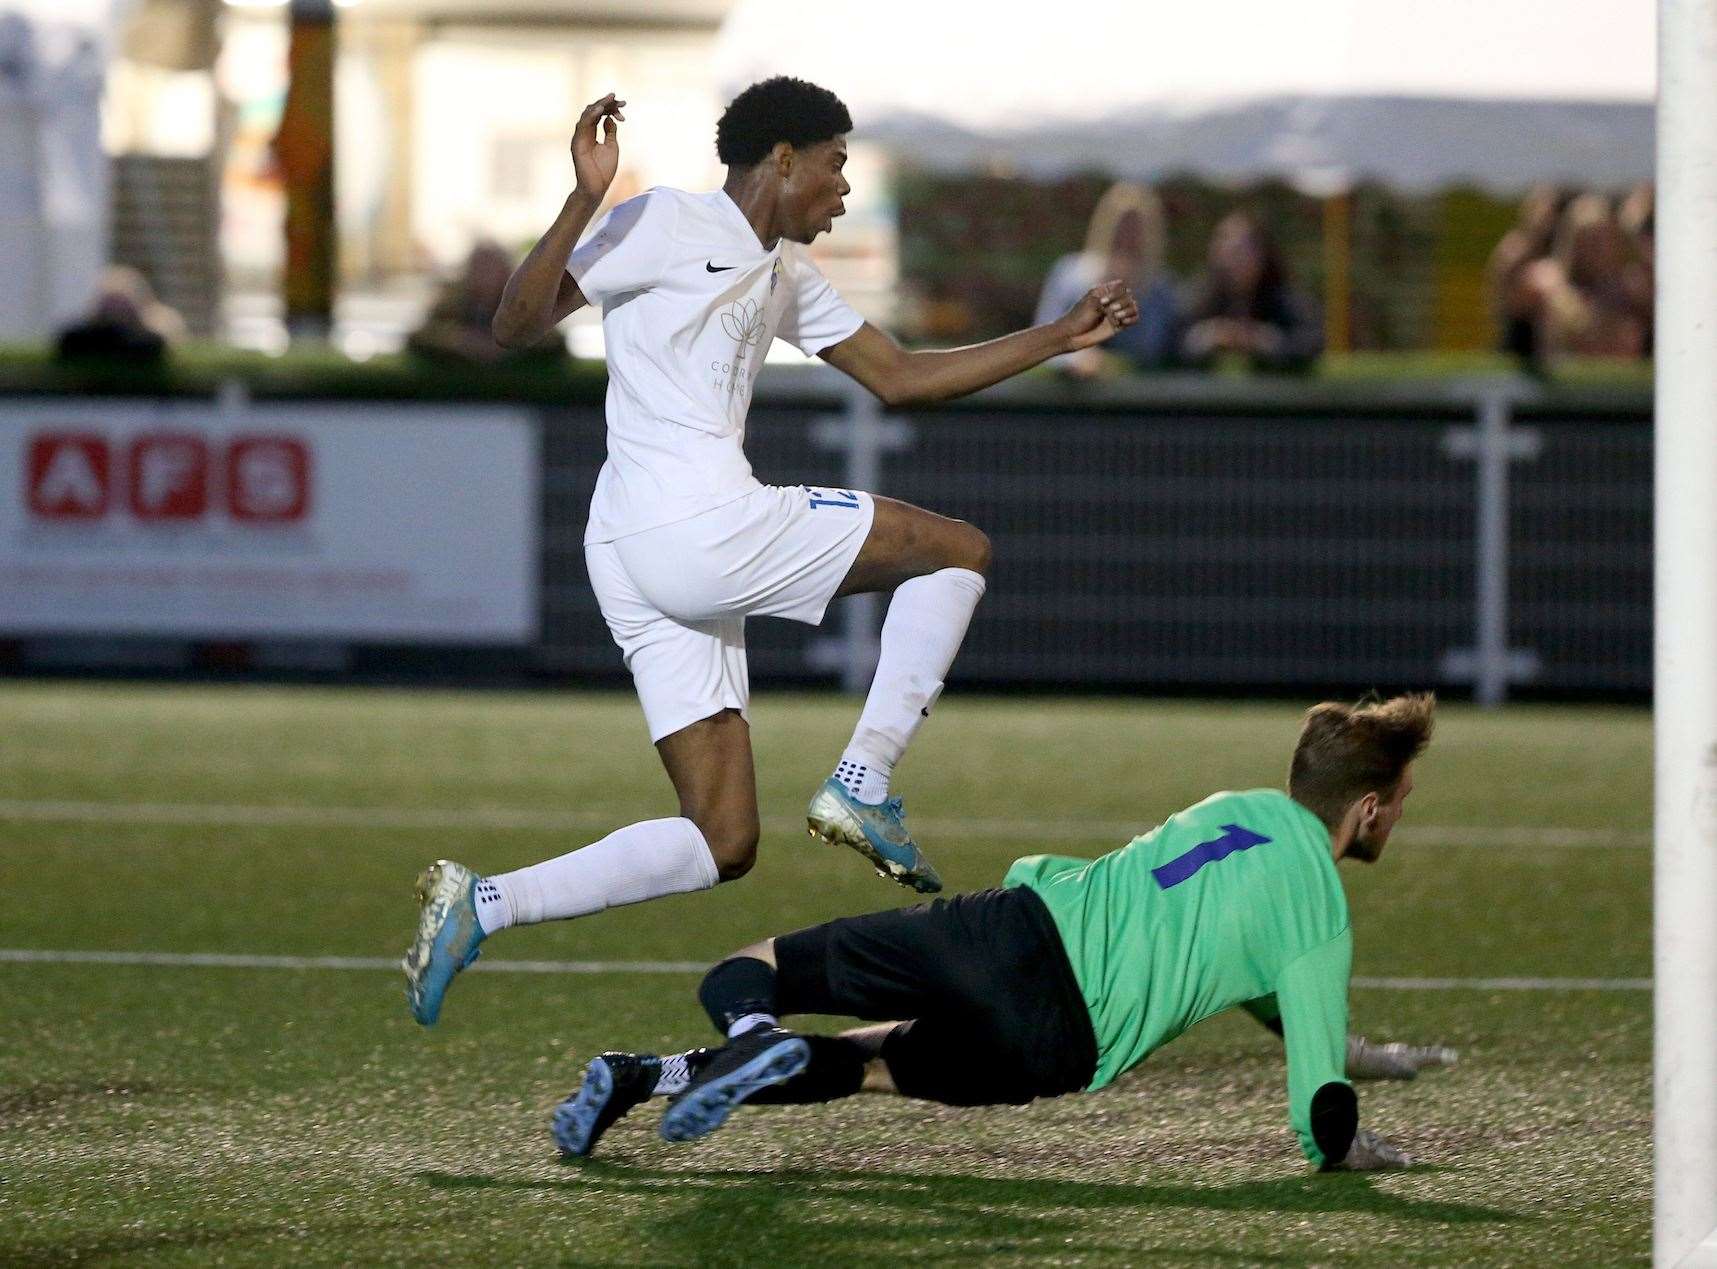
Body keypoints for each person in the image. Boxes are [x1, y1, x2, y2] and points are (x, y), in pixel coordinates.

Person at [402, 78, 1140, 1026]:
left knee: (722, 838)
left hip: (631, 547)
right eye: (834, 166)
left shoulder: (785, 273)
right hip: (691, 526)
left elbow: (903, 378)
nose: (841, 190)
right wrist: (586, 196)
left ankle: (484, 903)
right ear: (782, 160)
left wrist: (1060, 334)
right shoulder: (662, 219)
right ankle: (863, 780)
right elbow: (512, 327)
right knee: (956, 551)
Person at [553, 693, 1454, 1171]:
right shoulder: (1316, 917)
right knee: (866, 1067)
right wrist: (1360, 1146)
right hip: (1057, 1042)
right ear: (1367, 808)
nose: (1398, 821)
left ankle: (714, 1050)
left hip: (1014, 934)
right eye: (1400, 805)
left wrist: (1359, 1049)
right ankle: (656, 1075)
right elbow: (1321, 1118)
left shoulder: (1240, 808)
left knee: (751, 968)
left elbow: (1238, 954)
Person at [1034, 182, 1180, 375]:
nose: (1127, 239)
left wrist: (1132, 293)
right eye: (1121, 229)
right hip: (1073, 393)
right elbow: (1042, 338)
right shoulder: (1070, 274)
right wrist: (1080, 359)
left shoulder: (1161, 290)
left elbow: (1158, 350)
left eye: (1135, 231)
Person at [1178, 211, 1322, 373]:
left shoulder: (1286, 300)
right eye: (1228, 252)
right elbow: (1171, 345)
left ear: (1263, 254)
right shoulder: (1199, 297)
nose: (1235, 261)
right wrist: (1208, 336)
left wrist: (1265, 340)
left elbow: (1311, 345)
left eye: (1243, 251)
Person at [1531, 193, 1651, 360]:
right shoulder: (1549, 283)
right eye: (1590, 240)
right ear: (1573, 243)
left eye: (1605, 239)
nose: (1599, 249)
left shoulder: (1632, 288)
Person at [406, 239, 562, 365]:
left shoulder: (522, 304)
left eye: (491, 268)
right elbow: (420, 336)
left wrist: (509, 344)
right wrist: (459, 340)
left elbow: (553, 341)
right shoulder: (451, 303)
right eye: (480, 267)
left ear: (506, 272)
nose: (484, 275)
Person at [54, 266, 184, 364]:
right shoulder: (77, 342)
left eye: (123, 306)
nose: (116, 315)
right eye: (111, 306)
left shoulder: (153, 341)